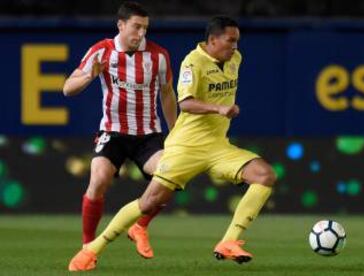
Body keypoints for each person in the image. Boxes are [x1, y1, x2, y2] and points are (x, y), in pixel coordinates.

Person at [68, 15, 276, 272]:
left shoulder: (235, 59)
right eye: (230, 41)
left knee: (264, 175)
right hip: (185, 147)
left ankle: (228, 242)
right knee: (147, 202)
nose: (235, 47)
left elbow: (167, 92)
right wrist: (218, 109)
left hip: (218, 146)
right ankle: (91, 249)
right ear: (212, 40)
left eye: (237, 41)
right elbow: (184, 102)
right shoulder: (193, 62)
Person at [63, 1, 177, 259]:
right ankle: (87, 248)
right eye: (136, 27)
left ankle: (140, 227)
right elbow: (68, 89)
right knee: (99, 179)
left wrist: (176, 133)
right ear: (121, 25)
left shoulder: (159, 56)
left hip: (148, 135)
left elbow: (168, 95)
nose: (141, 34)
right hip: (113, 133)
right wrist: (88, 76)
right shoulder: (101, 51)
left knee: (171, 178)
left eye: (145, 28)